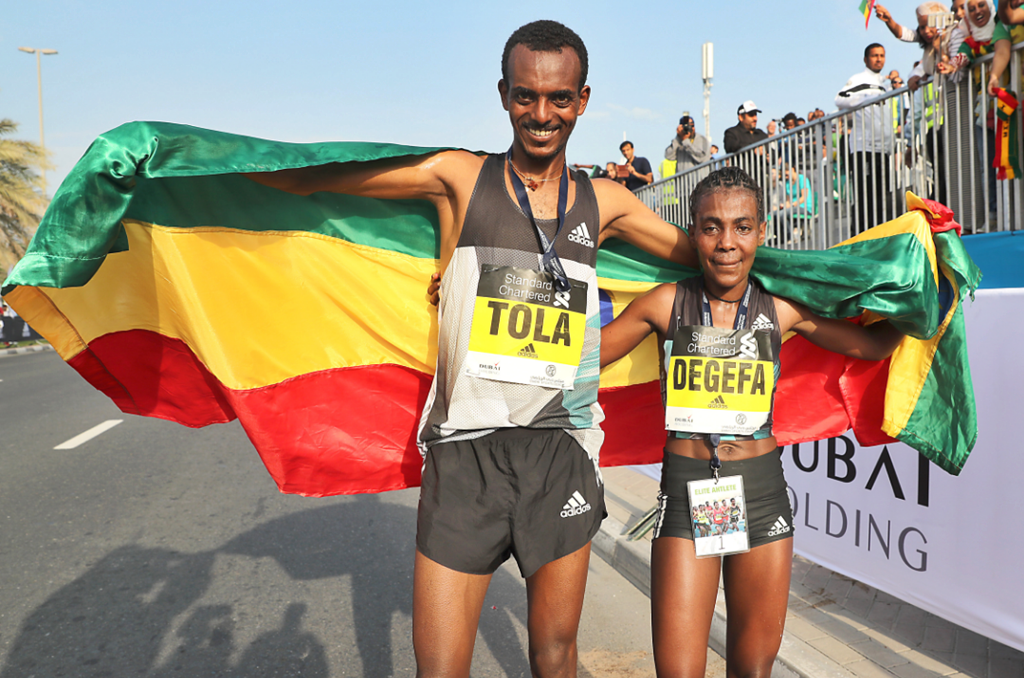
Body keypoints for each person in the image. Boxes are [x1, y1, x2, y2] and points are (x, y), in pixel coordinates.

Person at [246, 20, 698, 678]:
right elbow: (333, 179)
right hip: (466, 453)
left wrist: (850, 274)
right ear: (503, 94)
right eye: (525, 96)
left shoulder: (606, 202)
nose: (541, 114)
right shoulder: (462, 178)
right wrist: (202, 166)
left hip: (561, 450)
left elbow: (717, 255)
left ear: (583, 99)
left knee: (555, 654)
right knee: (441, 667)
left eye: (559, 98)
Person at [600, 167, 903, 678]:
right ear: (692, 232)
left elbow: (871, 345)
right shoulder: (665, 303)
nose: (726, 243)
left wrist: (924, 303)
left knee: (752, 670)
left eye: (742, 227)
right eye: (712, 226)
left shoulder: (779, 309)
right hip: (688, 490)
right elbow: (580, 358)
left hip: (761, 493)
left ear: (762, 232)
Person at [836, 43, 896, 233]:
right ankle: (860, 238)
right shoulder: (858, 79)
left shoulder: (886, 86)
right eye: (874, 55)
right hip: (864, 149)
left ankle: (878, 237)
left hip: (883, 150)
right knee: (864, 198)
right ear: (865, 59)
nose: (879, 59)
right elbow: (839, 99)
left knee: (882, 197)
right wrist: (865, 99)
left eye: (882, 55)